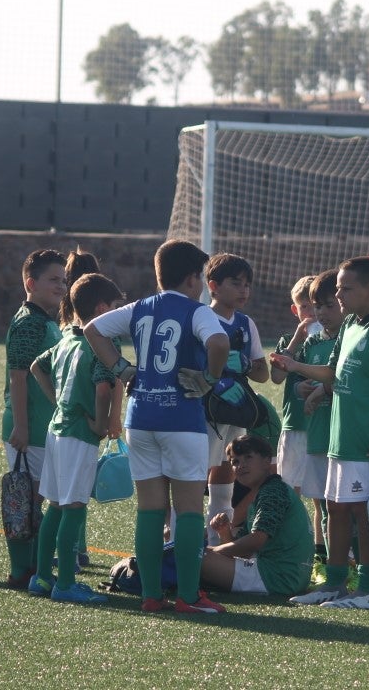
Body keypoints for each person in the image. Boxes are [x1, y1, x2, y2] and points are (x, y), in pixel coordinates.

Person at [84, 239, 230, 614]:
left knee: (150, 510)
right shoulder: (196, 311)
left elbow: (93, 330)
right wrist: (210, 379)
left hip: (141, 418)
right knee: (188, 511)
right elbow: (219, 343)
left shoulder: (140, 308)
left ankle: (151, 594)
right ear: (192, 278)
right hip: (181, 420)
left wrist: (123, 369)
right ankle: (188, 595)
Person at [271, 257, 369, 610]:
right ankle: (335, 581)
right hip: (338, 438)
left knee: (362, 511)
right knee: (335, 508)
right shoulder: (350, 327)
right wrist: (296, 367)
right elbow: (333, 373)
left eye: (346, 288)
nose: (339, 294)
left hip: (365, 439)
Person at [28, 273, 124, 603]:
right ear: (101, 308)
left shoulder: (68, 339)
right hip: (80, 436)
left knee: (55, 505)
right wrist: (101, 423)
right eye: (115, 308)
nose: (118, 313)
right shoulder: (99, 346)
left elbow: (37, 367)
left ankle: (41, 576)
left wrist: (57, 401)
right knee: (74, 507)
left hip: (56, 430)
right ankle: (66, 583)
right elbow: (102, 388)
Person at [0, 248, 66, 588]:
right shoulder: (28, 322)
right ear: (31, 282)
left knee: (38, 500)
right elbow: (18, 376)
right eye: (54, 279)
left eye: (64, 279)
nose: (62, 285)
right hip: (29, 428)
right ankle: (22, 572)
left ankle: (36, 570)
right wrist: (21, 427)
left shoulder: (45, 320)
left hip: (44, 425)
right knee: (25, 500)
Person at [202, 253, 269, 546]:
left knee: (226, 476)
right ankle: (180, 541)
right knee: (194, 478)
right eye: (236, 283)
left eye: (247, 284)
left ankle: (215, 540)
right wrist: (214, 377)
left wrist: (244, 364)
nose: (244, 290)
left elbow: (262, 373)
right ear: (213, 285)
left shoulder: (246, 324)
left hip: (236, 410)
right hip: (206, 411)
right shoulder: (200, 317)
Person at [200, 435, 314, 596]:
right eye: (235, 462)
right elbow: (244, 551)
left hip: (277, 577)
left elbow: (256, 541)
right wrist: (224, 532)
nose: (241, 466)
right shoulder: (266, 491)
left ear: (267, 461)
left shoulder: (273, 491)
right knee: (197, 554)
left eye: (248, 457)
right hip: (284, 576)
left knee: (195, 556)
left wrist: (215, 551)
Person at [294, 269, 343, 587]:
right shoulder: (312, 342)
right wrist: (304, 388)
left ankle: (354, 564)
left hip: (349, 438)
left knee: (347, 507)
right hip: (318, 436)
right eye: (317, 306)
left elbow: (348, 380)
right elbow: (300, 383)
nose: (322, 313)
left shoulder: (352, 338)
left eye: (328, 305)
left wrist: (321, 389)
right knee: (321, 504)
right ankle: (323, 561)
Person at [270, 275, 318, 496]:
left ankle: (318, 532)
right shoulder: (288, 340)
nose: (312, 313)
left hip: (320, 423)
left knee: (320, 493)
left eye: (317, 306)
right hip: (295, 423)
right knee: (290, 488)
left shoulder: (331, 340)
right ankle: (296, 530)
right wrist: (296, 340)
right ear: (294, 309)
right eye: (305, 306)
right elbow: (277, 377)